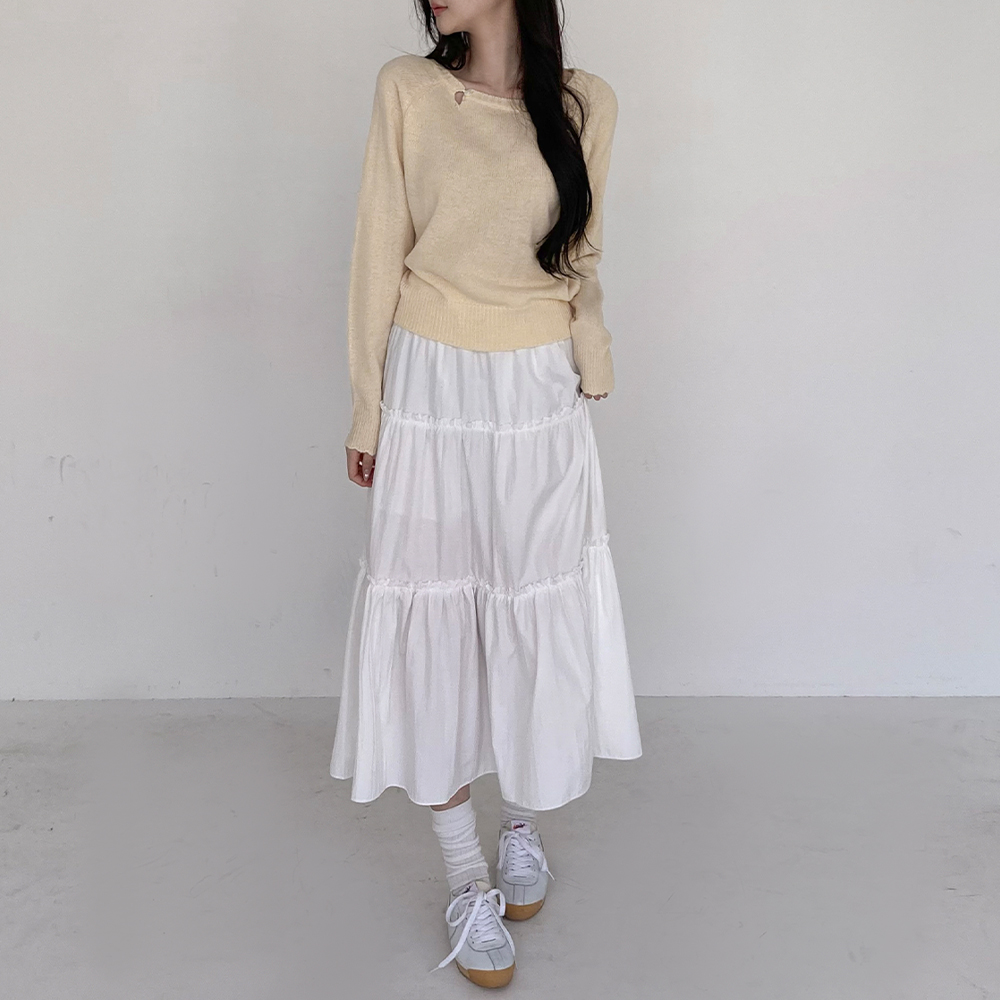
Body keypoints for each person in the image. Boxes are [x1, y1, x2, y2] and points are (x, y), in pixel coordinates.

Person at [329, 0, 642, 987]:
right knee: (431, 610)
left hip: (538, 389)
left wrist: (590, 351)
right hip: (430, 385)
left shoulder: (586, 105)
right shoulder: (408, 89)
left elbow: (581, 252)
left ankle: (521, 825)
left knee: (531, 605)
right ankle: (466, 870)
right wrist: (369, 408)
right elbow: (377, 247)